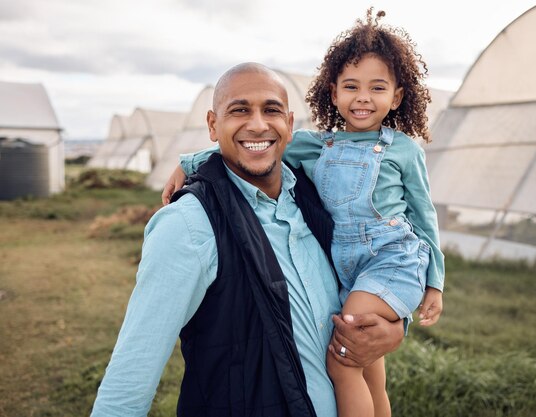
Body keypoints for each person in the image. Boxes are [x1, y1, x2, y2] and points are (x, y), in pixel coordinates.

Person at [163, 9, 445, 417]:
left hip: (391, 260)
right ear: (333, 93)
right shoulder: (315, 145)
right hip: (344, 265)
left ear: (397, 97)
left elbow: (424, 216)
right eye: (351, 86)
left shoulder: (403, 150)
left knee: (344, 356)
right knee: (370, 369)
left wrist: (434, 282)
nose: (362, 97)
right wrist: (188, 163)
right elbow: (252, 144)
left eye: (377, 88)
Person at [90, 62, 405, 417]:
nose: (257, 124)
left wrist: (394, 328)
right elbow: (131, 378)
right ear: (213, 125)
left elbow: (377, 265)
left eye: (270, 110)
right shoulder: (188, 225)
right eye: (239, 110)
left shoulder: (317, 196)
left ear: (288, 124)